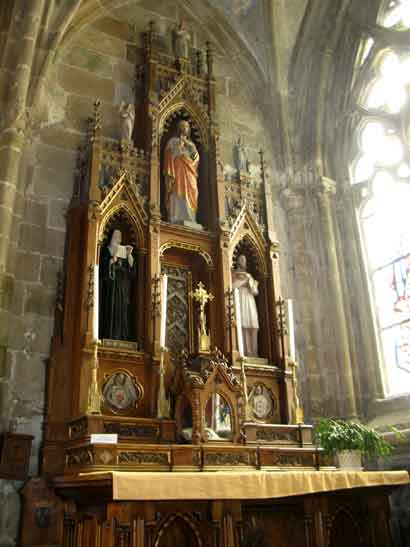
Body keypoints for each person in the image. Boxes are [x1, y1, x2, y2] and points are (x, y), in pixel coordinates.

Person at [100, 229, 135, 340]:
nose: (118, 237)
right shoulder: (106, 250)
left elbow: (131, 273)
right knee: (111, 307)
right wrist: (111, 261)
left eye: (119, 235)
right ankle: (109, 335)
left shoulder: (123, 251)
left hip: (122, 286)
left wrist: (129, 256)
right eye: (116, 235)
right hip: (110, 287)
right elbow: (101, 269)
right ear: (111, 236)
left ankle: (122, 336)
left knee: (123, 310)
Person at [163, 120, 200, 224]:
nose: (184, 128)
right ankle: (176, 216)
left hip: (190, 172)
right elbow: (168, 157)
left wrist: (191, 148)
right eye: (182, 126)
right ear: (178, 128)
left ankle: (191, 218)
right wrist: (179, 151)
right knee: (177, 190)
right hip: (178, 170)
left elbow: (196, 159)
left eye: (186, 126)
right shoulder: (172, 141)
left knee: (193, 190)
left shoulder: (192, 145)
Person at [232, 254, 259, 356]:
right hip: (239, 299)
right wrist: (244, 281)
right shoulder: (234, 274)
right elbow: (231, 287)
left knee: (252, 324)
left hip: (249, 300)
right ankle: (243, 350)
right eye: (242, 260)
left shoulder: (249, 276)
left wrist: (251, 282)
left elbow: (255, 291)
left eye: (245, 260)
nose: (244, 262)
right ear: (238, 261)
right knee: (242, 324)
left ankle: (253, 352)